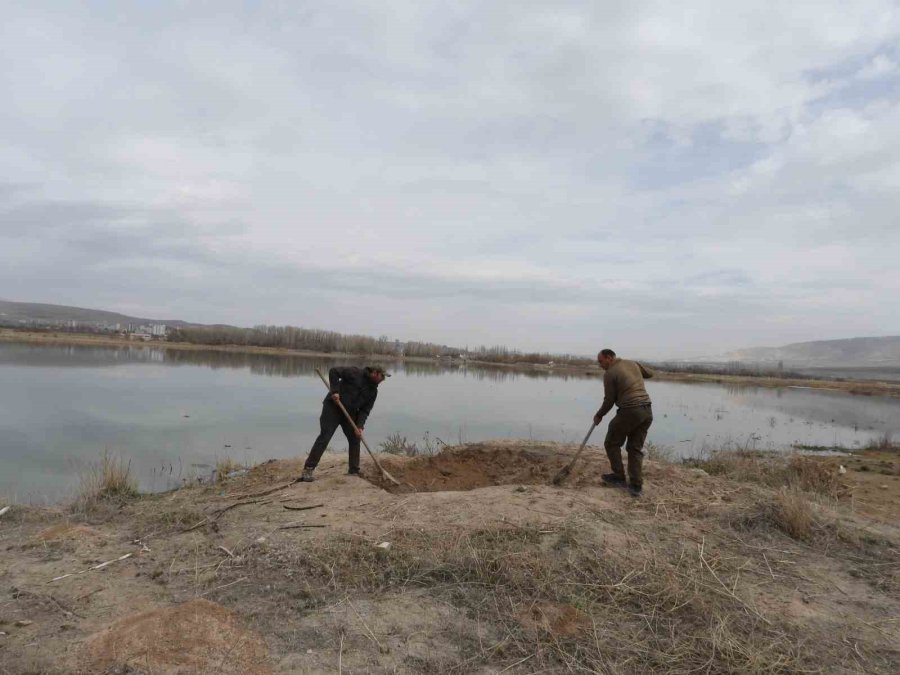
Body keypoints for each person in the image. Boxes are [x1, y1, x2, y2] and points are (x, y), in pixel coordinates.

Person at [300, 365, 389, 481]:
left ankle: (354, 470)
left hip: (350, 413)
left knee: (355, 438)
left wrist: (360, 426)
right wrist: (335, 391)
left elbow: (365, 410)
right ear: (375, 373)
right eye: (382, 377)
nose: (383, 380)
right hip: (333, 408)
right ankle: (308, 469)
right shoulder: (355, 372)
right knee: (325, 436)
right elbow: (333, 371)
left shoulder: (373, 391)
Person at [593, 349, 653, 496]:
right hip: (647, 411)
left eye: (601, 361)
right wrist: (635, 368)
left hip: (630, 410)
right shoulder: (632, 363)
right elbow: (650, 374)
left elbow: (609, 400)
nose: (600, 365)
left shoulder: (610, 374)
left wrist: (599, 415)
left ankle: (619, 477)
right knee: (634, 448)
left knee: (611, 443)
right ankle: (636, 486)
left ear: (609, 358)